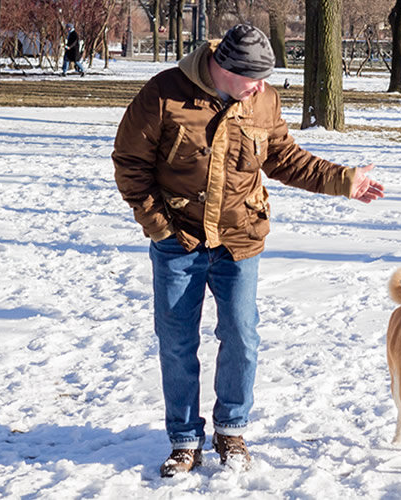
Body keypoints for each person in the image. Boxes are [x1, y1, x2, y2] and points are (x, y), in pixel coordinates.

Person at [112, 24, 384, 477]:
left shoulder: (263, 100)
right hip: (179, 240)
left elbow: (285, 158)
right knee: (178, 341)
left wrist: (345, 179)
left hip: (240, 239)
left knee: (242, 336)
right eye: (252, 78)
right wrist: (159, 228)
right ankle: (184, 440)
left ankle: (231, 428)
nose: (259, 87)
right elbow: (130, 163)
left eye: (263, 78)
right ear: (223, 68)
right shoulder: (164, 93)